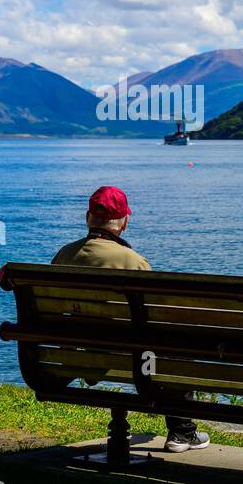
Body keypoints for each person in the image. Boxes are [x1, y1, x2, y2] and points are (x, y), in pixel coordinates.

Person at [51, 186, 210, 453]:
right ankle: (182, 433)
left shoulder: (64, 255)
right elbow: (152, 318)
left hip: (76, 354)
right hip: (130, 358)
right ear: (124, 222)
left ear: (87, 217)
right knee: (179, 352)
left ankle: (182, 433)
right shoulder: (132, 261)